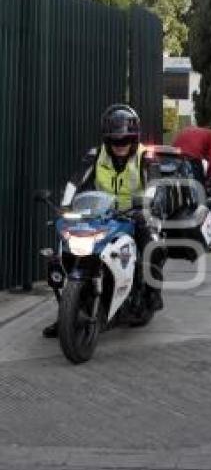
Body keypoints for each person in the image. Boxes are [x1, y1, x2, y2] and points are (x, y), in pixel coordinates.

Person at [43, 104, 167, 338]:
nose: (120, 147)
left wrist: (148, 204)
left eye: (125, 141)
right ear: (107, 140)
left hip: (136, 213)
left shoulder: (145, 156)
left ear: (134, 138)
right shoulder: (95, 154)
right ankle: (66, 314)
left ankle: (151, 295)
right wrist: (66, 206)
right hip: (102, 213)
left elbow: (155, 185)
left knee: (152, 244)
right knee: (67, 251)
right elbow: (74, 182)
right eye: (115, 142)